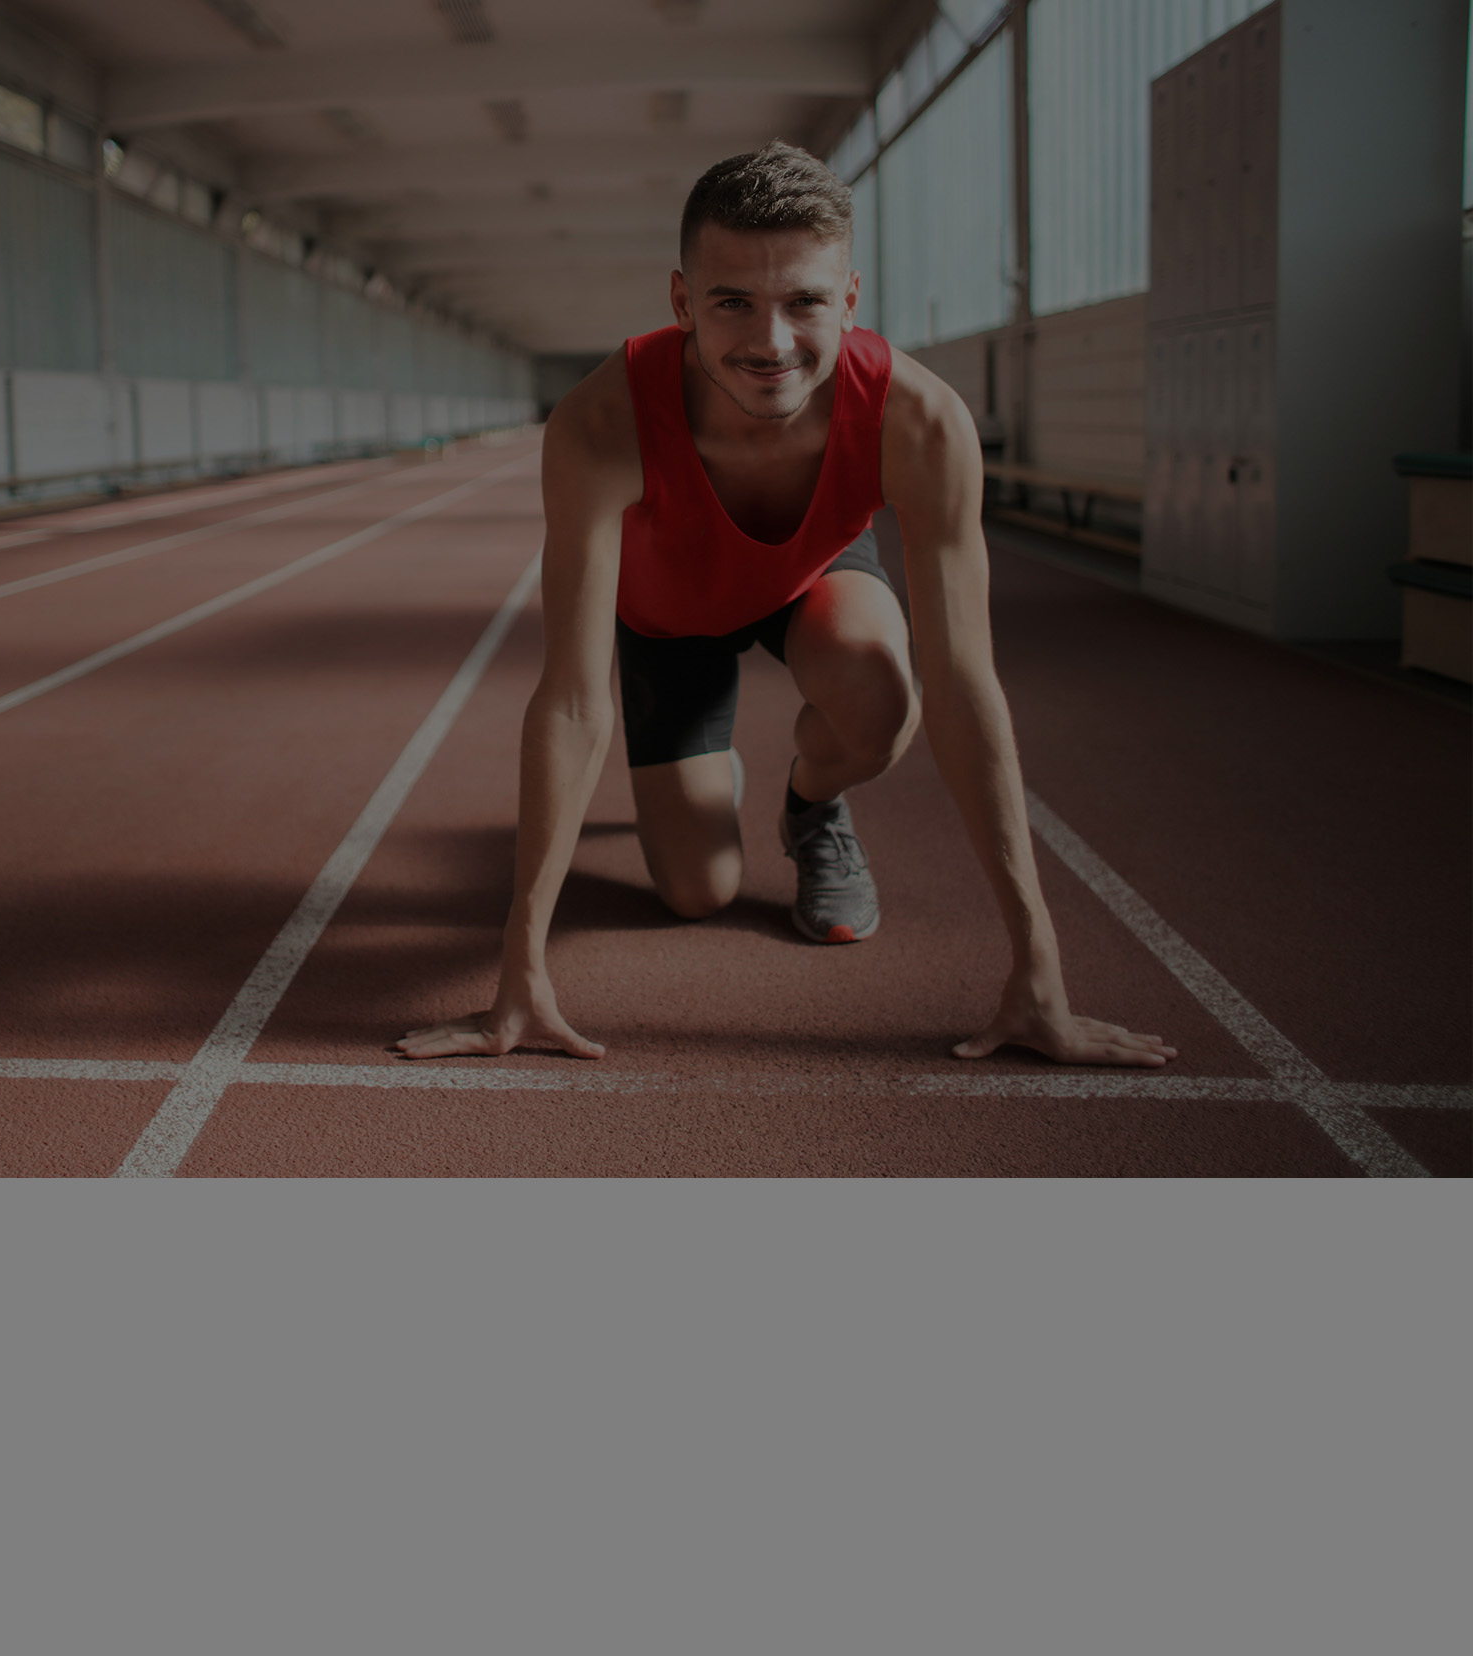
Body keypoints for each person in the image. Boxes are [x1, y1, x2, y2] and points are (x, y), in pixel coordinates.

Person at [397, 141, 1175, 1070]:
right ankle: (707, 780)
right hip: (670, 619)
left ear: (849, 299)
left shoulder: (920, 421)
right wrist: (520, 969)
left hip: (813, 576)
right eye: (733, 302)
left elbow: (966, 685)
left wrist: (1039, 968)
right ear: (682, 301)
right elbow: (570, 699)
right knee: (698, 891)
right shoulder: (601, 424)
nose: (771, 343)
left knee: (884, 697)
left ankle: (811, 806)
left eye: (804, 301)